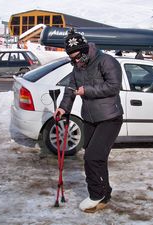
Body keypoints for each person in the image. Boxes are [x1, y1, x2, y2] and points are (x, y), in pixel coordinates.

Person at [53, 29, 123, 213]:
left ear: (85, 51)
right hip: (90, 118)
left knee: (92, 158)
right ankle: (105, 193)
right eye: (72, 58)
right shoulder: (78, 66)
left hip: (110, 118)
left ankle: (95, 195)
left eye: (77, 57)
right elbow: (71, 88)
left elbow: (114, 87)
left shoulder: (107, 61)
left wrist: (87, 91)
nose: (75, 61)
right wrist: (63, 108)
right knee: (98, 159)